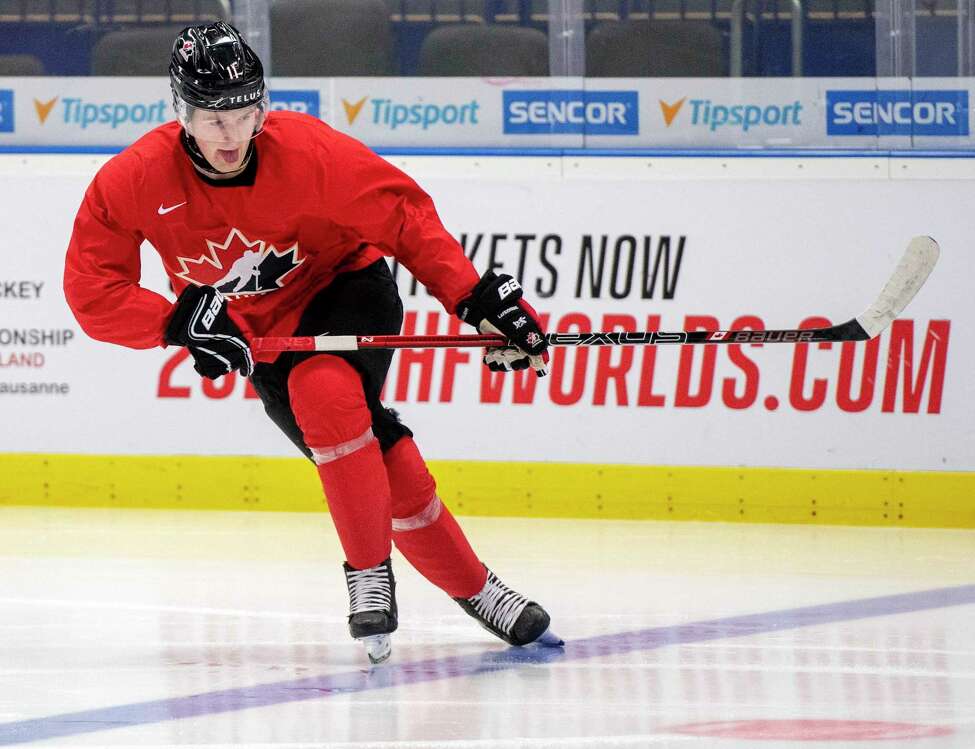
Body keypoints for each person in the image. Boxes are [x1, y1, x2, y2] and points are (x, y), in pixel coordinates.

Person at [63, 21, 560, 664]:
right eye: (213, 119)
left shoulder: (307, 151)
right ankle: (481, 589)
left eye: (245, 113)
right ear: (179, 111)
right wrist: (174, 322)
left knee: (325, 392)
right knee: (373, 453)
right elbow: (92, 290)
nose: (232, 135)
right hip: (257, 336)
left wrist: (475, 300)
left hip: (344, 289)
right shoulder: (134, 179)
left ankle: (367, 575)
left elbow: (403, 217)